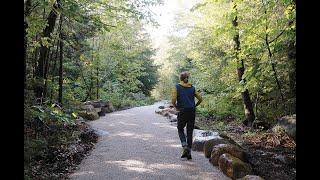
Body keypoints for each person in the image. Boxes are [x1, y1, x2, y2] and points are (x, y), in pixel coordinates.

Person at [171, 71, 203, 160]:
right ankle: (188, 152)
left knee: (180, 128)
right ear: (187, 79)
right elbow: (200, 98)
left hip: (182, 111)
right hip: (192, 111)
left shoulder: (177, 87)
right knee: (189, 131)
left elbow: (173, 100)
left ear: (180, 79)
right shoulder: (192, 88)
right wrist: (195, 105)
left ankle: (184, 145)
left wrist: (176, 107)